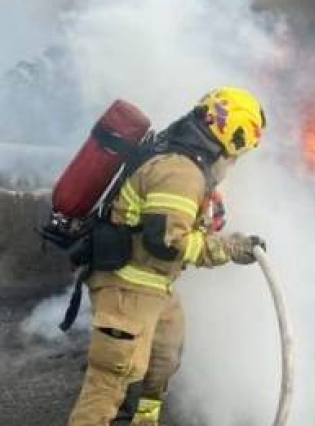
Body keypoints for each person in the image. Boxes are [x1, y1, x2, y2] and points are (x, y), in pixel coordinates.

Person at [68, 87, 267, 426]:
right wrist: (228, 249)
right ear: (230, 136)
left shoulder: (184, 160)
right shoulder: (181, 171)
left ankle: (145, 420)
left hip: (154, 285)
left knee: (164, 357)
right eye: (239, 151)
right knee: (109, 382)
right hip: (128, 288)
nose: (235, 161)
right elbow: (167, 242)